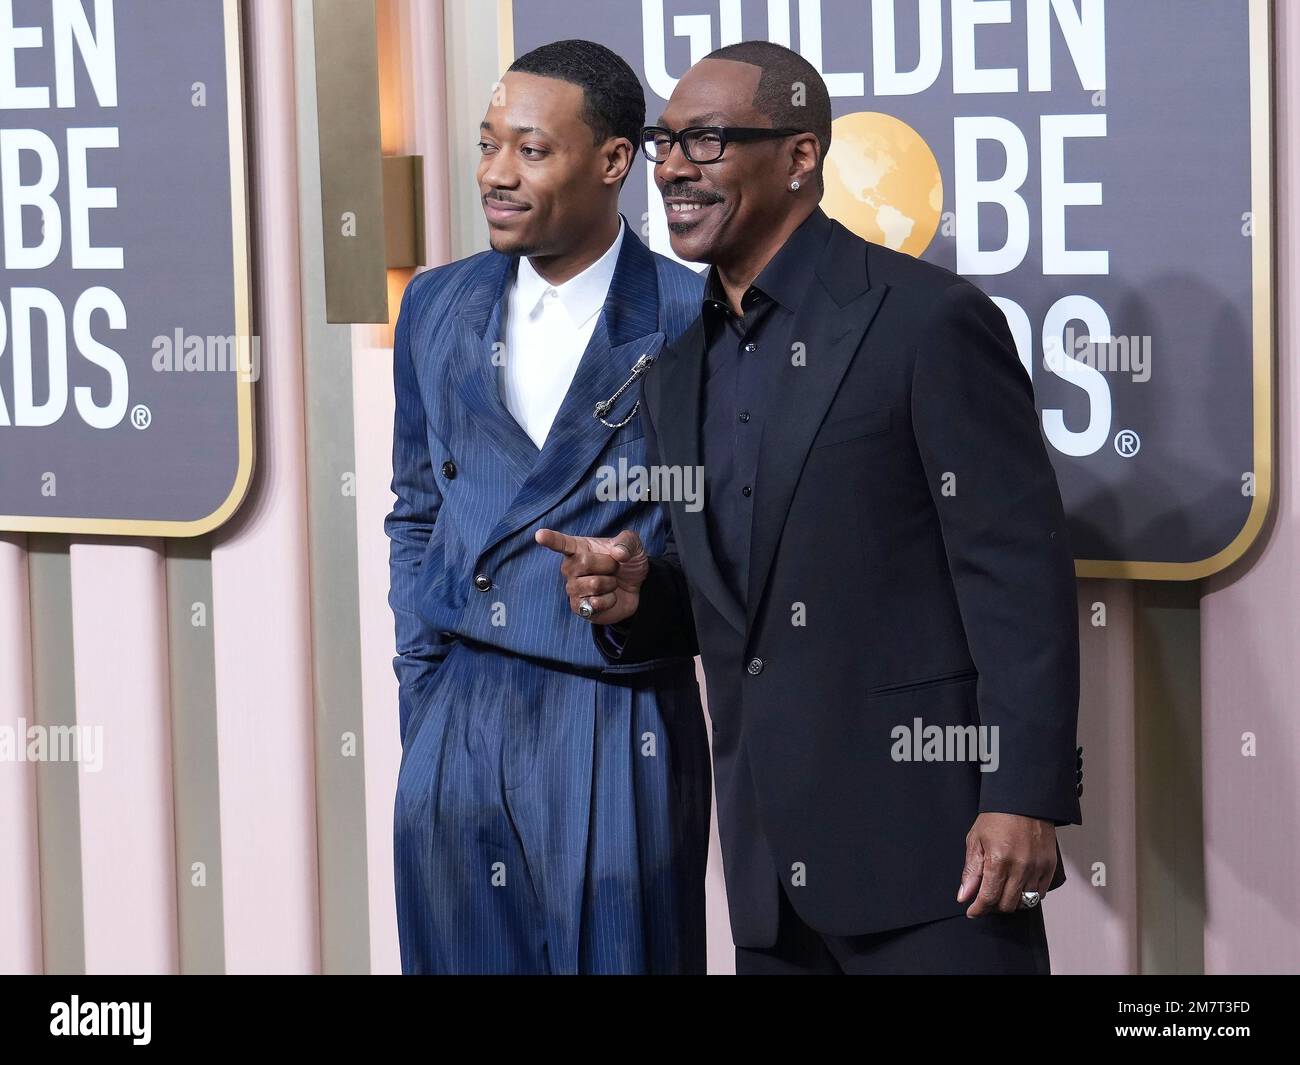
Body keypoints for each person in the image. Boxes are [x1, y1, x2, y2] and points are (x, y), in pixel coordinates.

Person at [539, 40, 1083, 975]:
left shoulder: (926, 321)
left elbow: (1018, 573)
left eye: (705, 141)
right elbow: (746, 602)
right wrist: (641, 597)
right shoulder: (675, 369)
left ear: (800, 157)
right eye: (665, 143)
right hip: (768, 885)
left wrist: (1023, 794)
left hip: (939, 865)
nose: (672, 167)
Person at [386, 40, 709, 974]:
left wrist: (644, 594)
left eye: (530, 150)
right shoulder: (438, 305)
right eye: (489, 145)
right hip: (458, 714)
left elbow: (743, 542)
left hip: (617, 708)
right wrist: (425, 692)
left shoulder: (695, 317)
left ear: (614, 162)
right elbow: (415, 510)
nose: (494, 173)